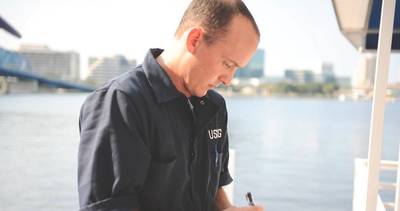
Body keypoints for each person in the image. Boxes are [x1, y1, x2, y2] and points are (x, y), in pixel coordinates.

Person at [78, 0, 262, 210]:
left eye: (236, 69)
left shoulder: (215, 107)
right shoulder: (120, 102)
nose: (228, 80)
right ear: (195, 40)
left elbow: (214, 186)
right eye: (228, 64)